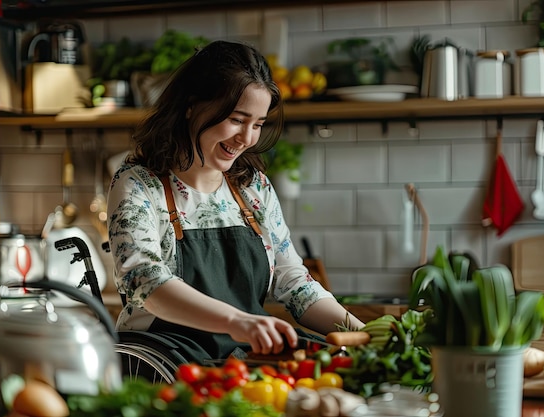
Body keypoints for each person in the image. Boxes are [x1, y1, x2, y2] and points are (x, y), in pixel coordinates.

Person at [107, 39, 364, 365]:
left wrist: (364, 334)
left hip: (241, 356)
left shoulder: (252, 187)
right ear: (192, 106)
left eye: (257, 124)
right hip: (165, 359)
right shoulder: (139, 184)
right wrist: (237, 322)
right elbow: (146, 282)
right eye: (237, 119)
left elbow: (294, 284)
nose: (247, 138)